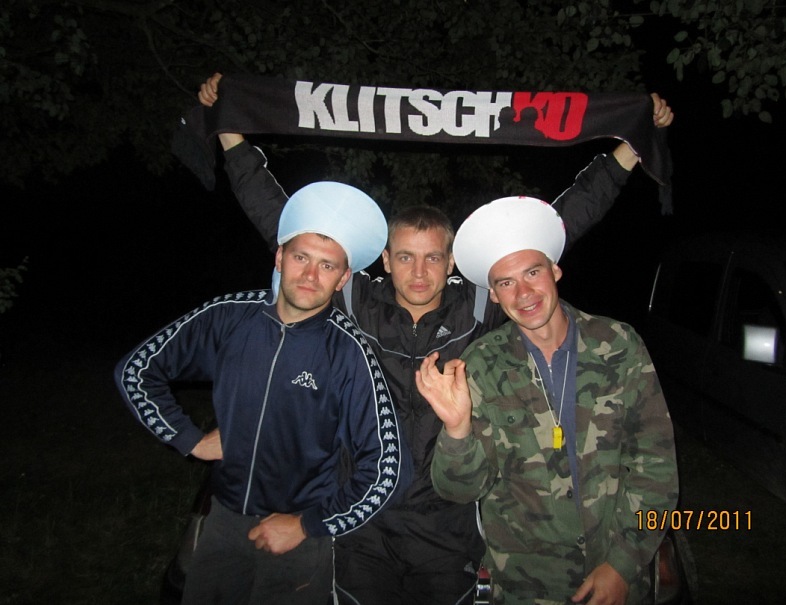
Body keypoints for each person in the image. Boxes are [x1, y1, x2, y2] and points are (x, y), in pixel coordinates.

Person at [196, 73, 674, 605]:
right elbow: (286, 229)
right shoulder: (355, 302)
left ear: (451, 263)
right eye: (405, 257)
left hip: (448, 525)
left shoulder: (479, 306)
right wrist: (230, 133)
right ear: (385, 260)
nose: (419, 273)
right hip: (365, 522)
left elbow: (559, 226)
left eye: (432, 258)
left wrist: (629, 150)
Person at [113, 180, 410, 605]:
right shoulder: (229, 317)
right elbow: (136, 370)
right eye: (301, 257)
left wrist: (307, 525)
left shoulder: (349, 353)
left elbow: (386, 468)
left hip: (298, 542)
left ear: (343, 278)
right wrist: (190, 439)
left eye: (327, 266)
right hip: (221, 522)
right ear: (280, 257)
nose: (310, 275)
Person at [415, 196, 679, 605]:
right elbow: (459, 490)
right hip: (526, 587)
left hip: (618, 580)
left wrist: (623, 564)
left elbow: (655, 467)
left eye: (532, 272)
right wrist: (457, 429)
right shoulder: (480, 364)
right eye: (506, 283)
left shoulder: (618, 344)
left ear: (555, 270)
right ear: (494, 295)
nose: (523, 293)